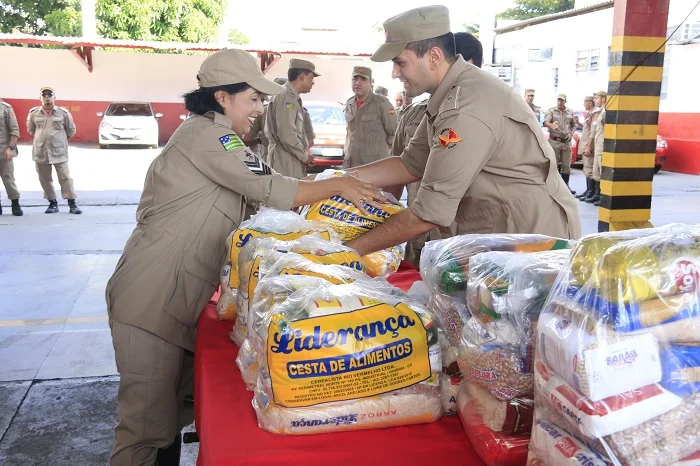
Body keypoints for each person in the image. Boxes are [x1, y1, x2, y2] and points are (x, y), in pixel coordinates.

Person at [105, 48, 384, 466]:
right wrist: (337, 185)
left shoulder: (224, 139)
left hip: (177, 298)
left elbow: (273, 188)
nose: (260, 108)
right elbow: (273, 191)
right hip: (151, 297)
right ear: (222, 97)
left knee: (171, 417)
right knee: (145, 429)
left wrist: (332, 189)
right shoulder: (207, 136)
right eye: (253, 98)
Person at [338, 6, 580, 258]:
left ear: (433, 57)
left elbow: (429, 213)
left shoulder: (465, 106)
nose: (394, 73)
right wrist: (333, 181)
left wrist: (346, 251)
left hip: (530, 241)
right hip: (500, 235)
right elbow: (409, 164)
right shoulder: (448, 95)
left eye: (400, 62)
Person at [27, 87, 82, 214]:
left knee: (65, 177)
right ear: (40, 98)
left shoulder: (63, 113)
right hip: (41, 151)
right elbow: (31, 129)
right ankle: (52, 203)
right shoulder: (33, 113)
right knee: (44, 178)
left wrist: (60, 140)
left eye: (49, 94)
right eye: (44, 95)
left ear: (54, 97)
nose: (47, 97)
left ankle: (72, 203)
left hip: (59, 151)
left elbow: (71, 130)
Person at [265, 59, 319, 178]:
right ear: (302, 76)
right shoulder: (286, 97)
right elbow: (287, 135)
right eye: (311, 78)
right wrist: (304, 157)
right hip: (284, 162)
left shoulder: (293, 98)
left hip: (291, 160)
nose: (313, 82)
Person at [343, 66, 398, 168]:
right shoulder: (349, 104)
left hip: (374, 167)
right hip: (352, 165)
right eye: (355, 78)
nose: (358, 83)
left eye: (363, 79)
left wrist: (379, 151)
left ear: (370, 83)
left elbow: (393, 134)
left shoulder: (382, 104)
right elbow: (349, 134)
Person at [544, 94, 576, 193]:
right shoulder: (551, 111)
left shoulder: (570, 112)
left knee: (566, 166)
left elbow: (573, 125)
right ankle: (554, 187)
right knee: (554, 165)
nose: (559, 102)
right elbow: (545, 122)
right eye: (558, 100)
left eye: (562, 100)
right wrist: (551, 125)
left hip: (566, 142)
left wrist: (571, 134)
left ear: (565, 101)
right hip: (554, 142)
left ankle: (565, 187)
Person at [584, 90, 607, 206]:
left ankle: (603, 196)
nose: (594, 100)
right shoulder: (600, 112)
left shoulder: (605, 112)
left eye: (597, 98)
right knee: (596, 172)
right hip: (598, 145)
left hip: (602, 145)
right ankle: (597, 194)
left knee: (602, 172)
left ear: (603, 99)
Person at [0, 98, 23, 216]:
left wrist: (11, 148)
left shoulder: (6, 108)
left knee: (8, 178)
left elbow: (15, 130)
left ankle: (15, 203)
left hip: (3, 151)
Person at [576, 95, 596, 202]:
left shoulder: (594, 114)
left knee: (590, 168)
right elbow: (586, 128)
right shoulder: (589, 114)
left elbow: (592, 131)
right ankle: (588, 190)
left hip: (588, 144)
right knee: (587, 168)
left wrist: (589, 146)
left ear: (590, 103)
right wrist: (578, 123)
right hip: (585, 144)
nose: (584, 104)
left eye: (585, 102)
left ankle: (591, 192)